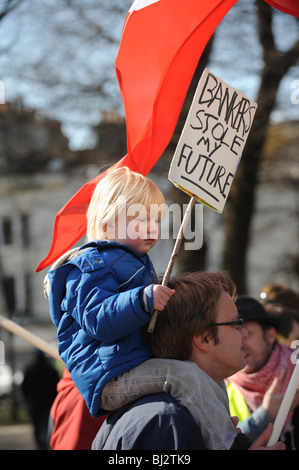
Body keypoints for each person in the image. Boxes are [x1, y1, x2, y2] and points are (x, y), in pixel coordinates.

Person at [92, 271, 285, 450]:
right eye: (236, 324)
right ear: (204, 339)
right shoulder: (166, 422)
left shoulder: (177, 414)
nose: (243, 334)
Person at [44, 167, 175, 418]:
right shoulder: (90, 265)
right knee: (185, 378)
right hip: (110, 376)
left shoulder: (134, 261)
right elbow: (97, 319)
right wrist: (142, 299)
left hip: (131, 366)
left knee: (199, 370)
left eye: (156, 220)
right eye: (141, 219)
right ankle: (224, 442)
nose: (152, 228)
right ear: (107, 222)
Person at [226, 296, 299, 449]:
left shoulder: (296, 369)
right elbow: (224, 444)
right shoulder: (223, 384)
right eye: (236, 333)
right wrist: (266, 415)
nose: (241, 341)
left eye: (249, 333)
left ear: (271, 335)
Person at [22, 350, 60, 450]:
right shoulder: (51, 370)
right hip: (49, 405)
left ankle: (40, 445)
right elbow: (57, 388)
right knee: (48, 427)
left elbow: (24, 387)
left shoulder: (30, 369)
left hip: (34, 405)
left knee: (37, 427)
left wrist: (27, 400)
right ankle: (47, 445)